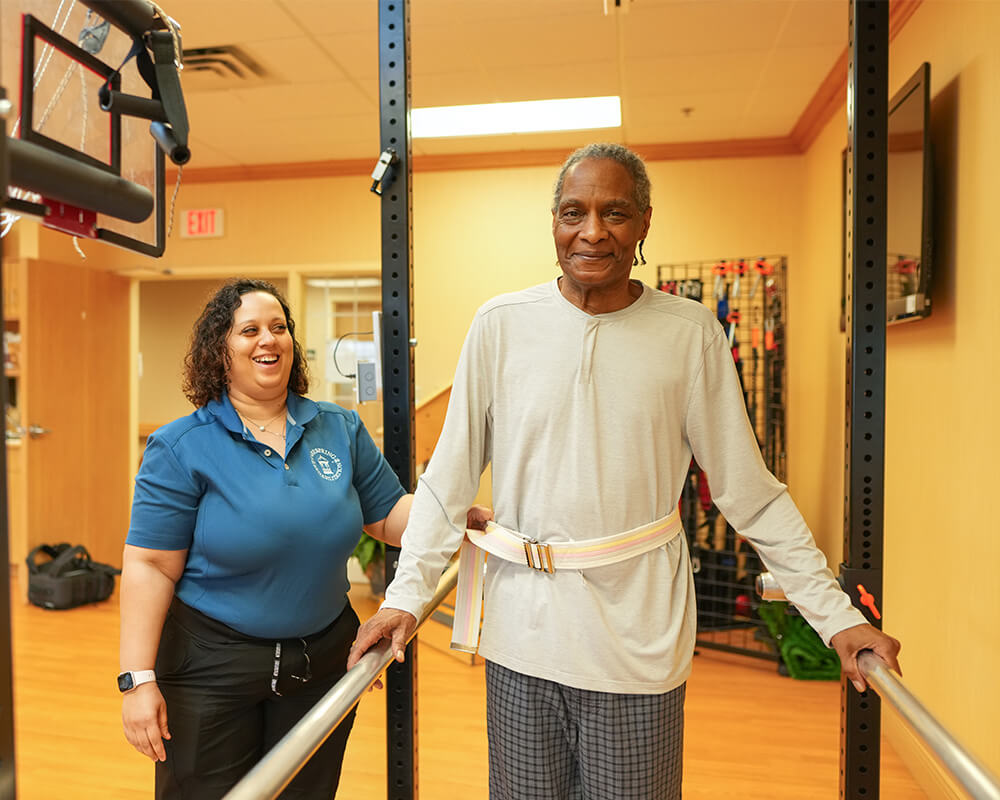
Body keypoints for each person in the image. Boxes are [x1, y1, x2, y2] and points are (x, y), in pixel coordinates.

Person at [347, 143, 902, 799]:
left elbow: (751, 496)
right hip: (522, 637)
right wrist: (405, 598)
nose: (591, 231)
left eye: (614, 213)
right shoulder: (501, 325)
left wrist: (837, 618)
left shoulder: (691, 333)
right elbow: (447, 484)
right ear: (552, 222)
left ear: (643, 224)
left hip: (637, 640)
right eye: (572, 212)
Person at [120, 278, 416, 799]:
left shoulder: (337, 427)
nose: (268, 340)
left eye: (278, 328)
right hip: (211, 666)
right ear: (220, 350)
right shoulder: (180, 446)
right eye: (249, 330)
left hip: (322, 657)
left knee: (308, 791)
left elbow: (388, 516)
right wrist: (138, 680)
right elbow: (150, 566)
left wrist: (451, 515)